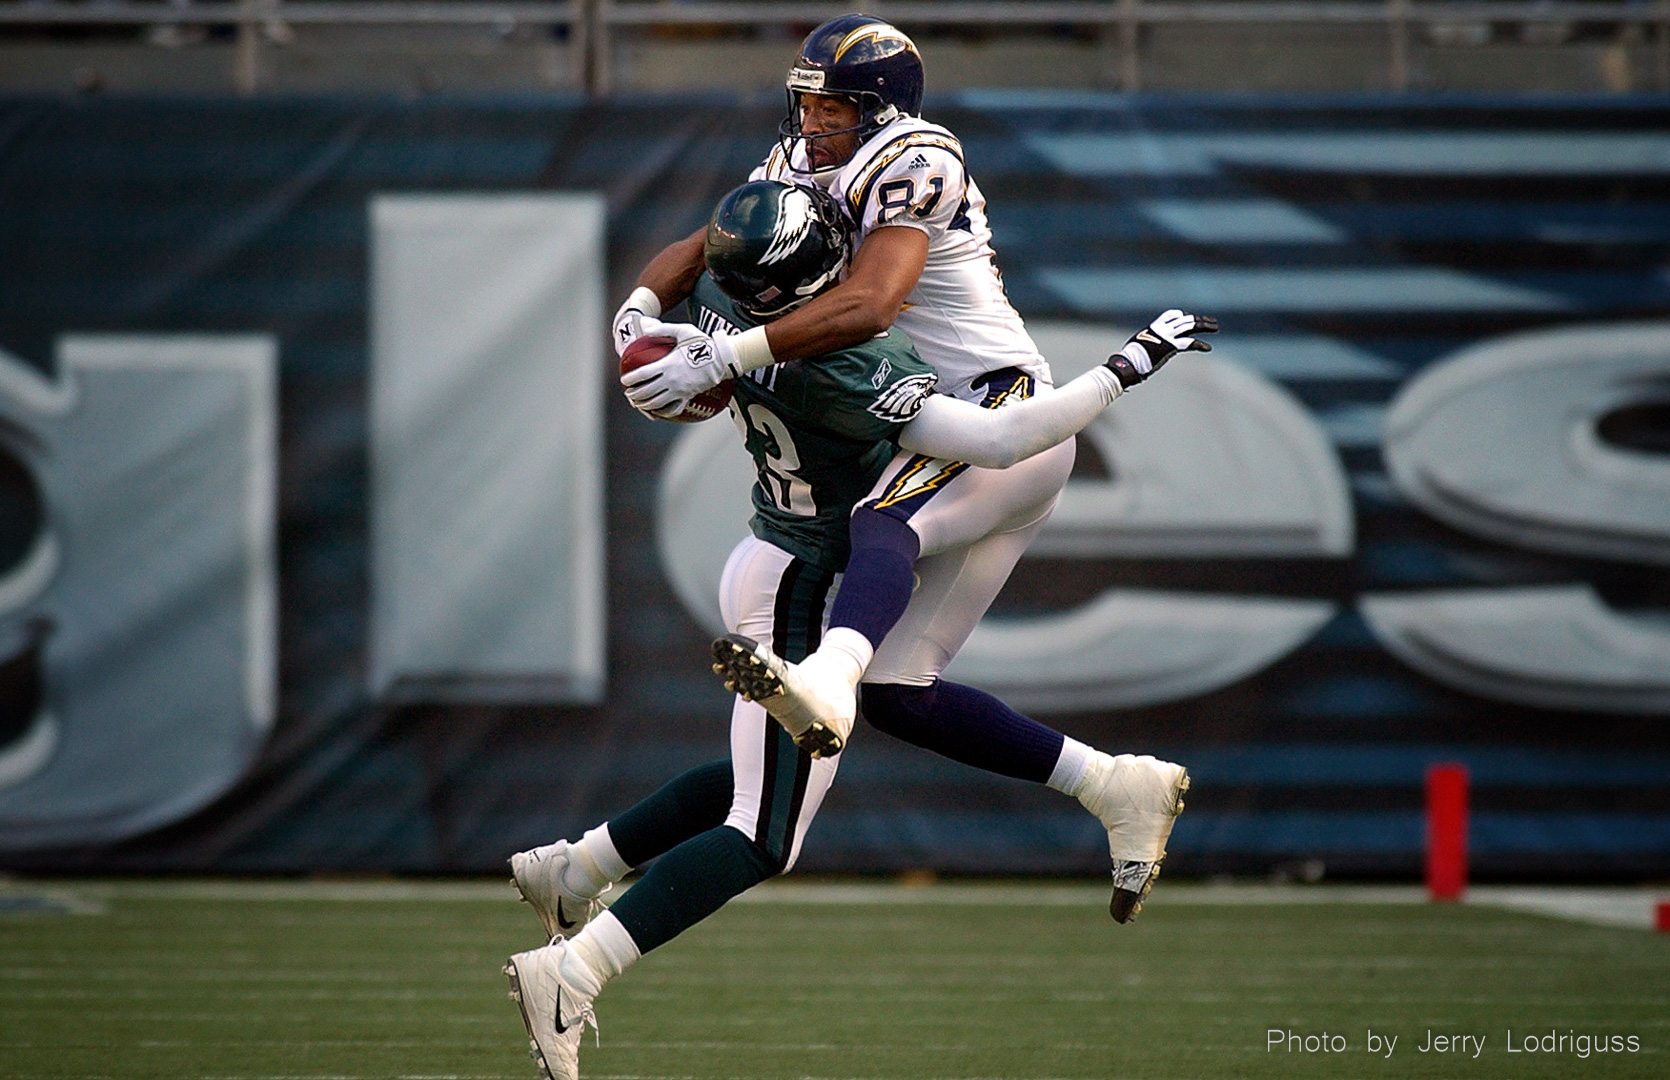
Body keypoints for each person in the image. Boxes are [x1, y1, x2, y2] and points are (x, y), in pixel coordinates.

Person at [504, 180, 1211, 1080]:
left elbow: (690, 262)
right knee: (764, 833)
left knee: (773, 768)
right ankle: (572, 971)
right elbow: (1004, 441)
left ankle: (574, 870)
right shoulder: (840, 362)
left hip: (775, 555)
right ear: (806, 272)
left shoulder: (724, 298)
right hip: (801, 586)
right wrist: (1123, 370)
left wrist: (634, 316)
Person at [615, 15, 1210, 923]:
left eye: (835, 106)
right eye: (808, 101)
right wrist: (639, 309)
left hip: (995, 407)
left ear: (882, 110)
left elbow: (870, 302)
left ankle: (824, 678)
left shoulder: (917, 158)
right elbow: (709, 244)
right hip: (933, 419)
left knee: (883, 527)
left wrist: (727, 358)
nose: (814, 120)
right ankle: (1114, 786)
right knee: (900, 691)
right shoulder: (798, 158)